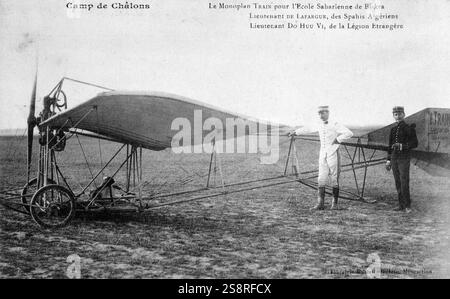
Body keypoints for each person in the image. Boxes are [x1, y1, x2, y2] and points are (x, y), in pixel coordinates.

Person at [290, 106, 353, 210]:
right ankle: (320, 204)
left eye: (322, 113)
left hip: (333, 153)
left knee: (334, 178)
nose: (320, 115)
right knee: (321, 178)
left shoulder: (335, 123)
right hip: (322, 154)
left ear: (327, 113)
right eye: (319, 113)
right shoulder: (318, 123)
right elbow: (308, 128)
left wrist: (338, 139)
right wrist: (295, 132)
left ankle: (335, 204)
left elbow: (349, 133)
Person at [385, 106, 418, 213]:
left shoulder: (409, 128)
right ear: (393, 116)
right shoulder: (393, 129)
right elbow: (390, 146)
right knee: (398, 181)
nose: (397, 116)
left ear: (403, 115)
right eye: (395, 114)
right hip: (394, 158)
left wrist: (402, 146)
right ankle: (401, 205)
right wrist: (388, 160)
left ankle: (408, 206)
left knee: (404, 181)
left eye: (399, 114)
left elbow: (415, 143)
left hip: (404, 158)